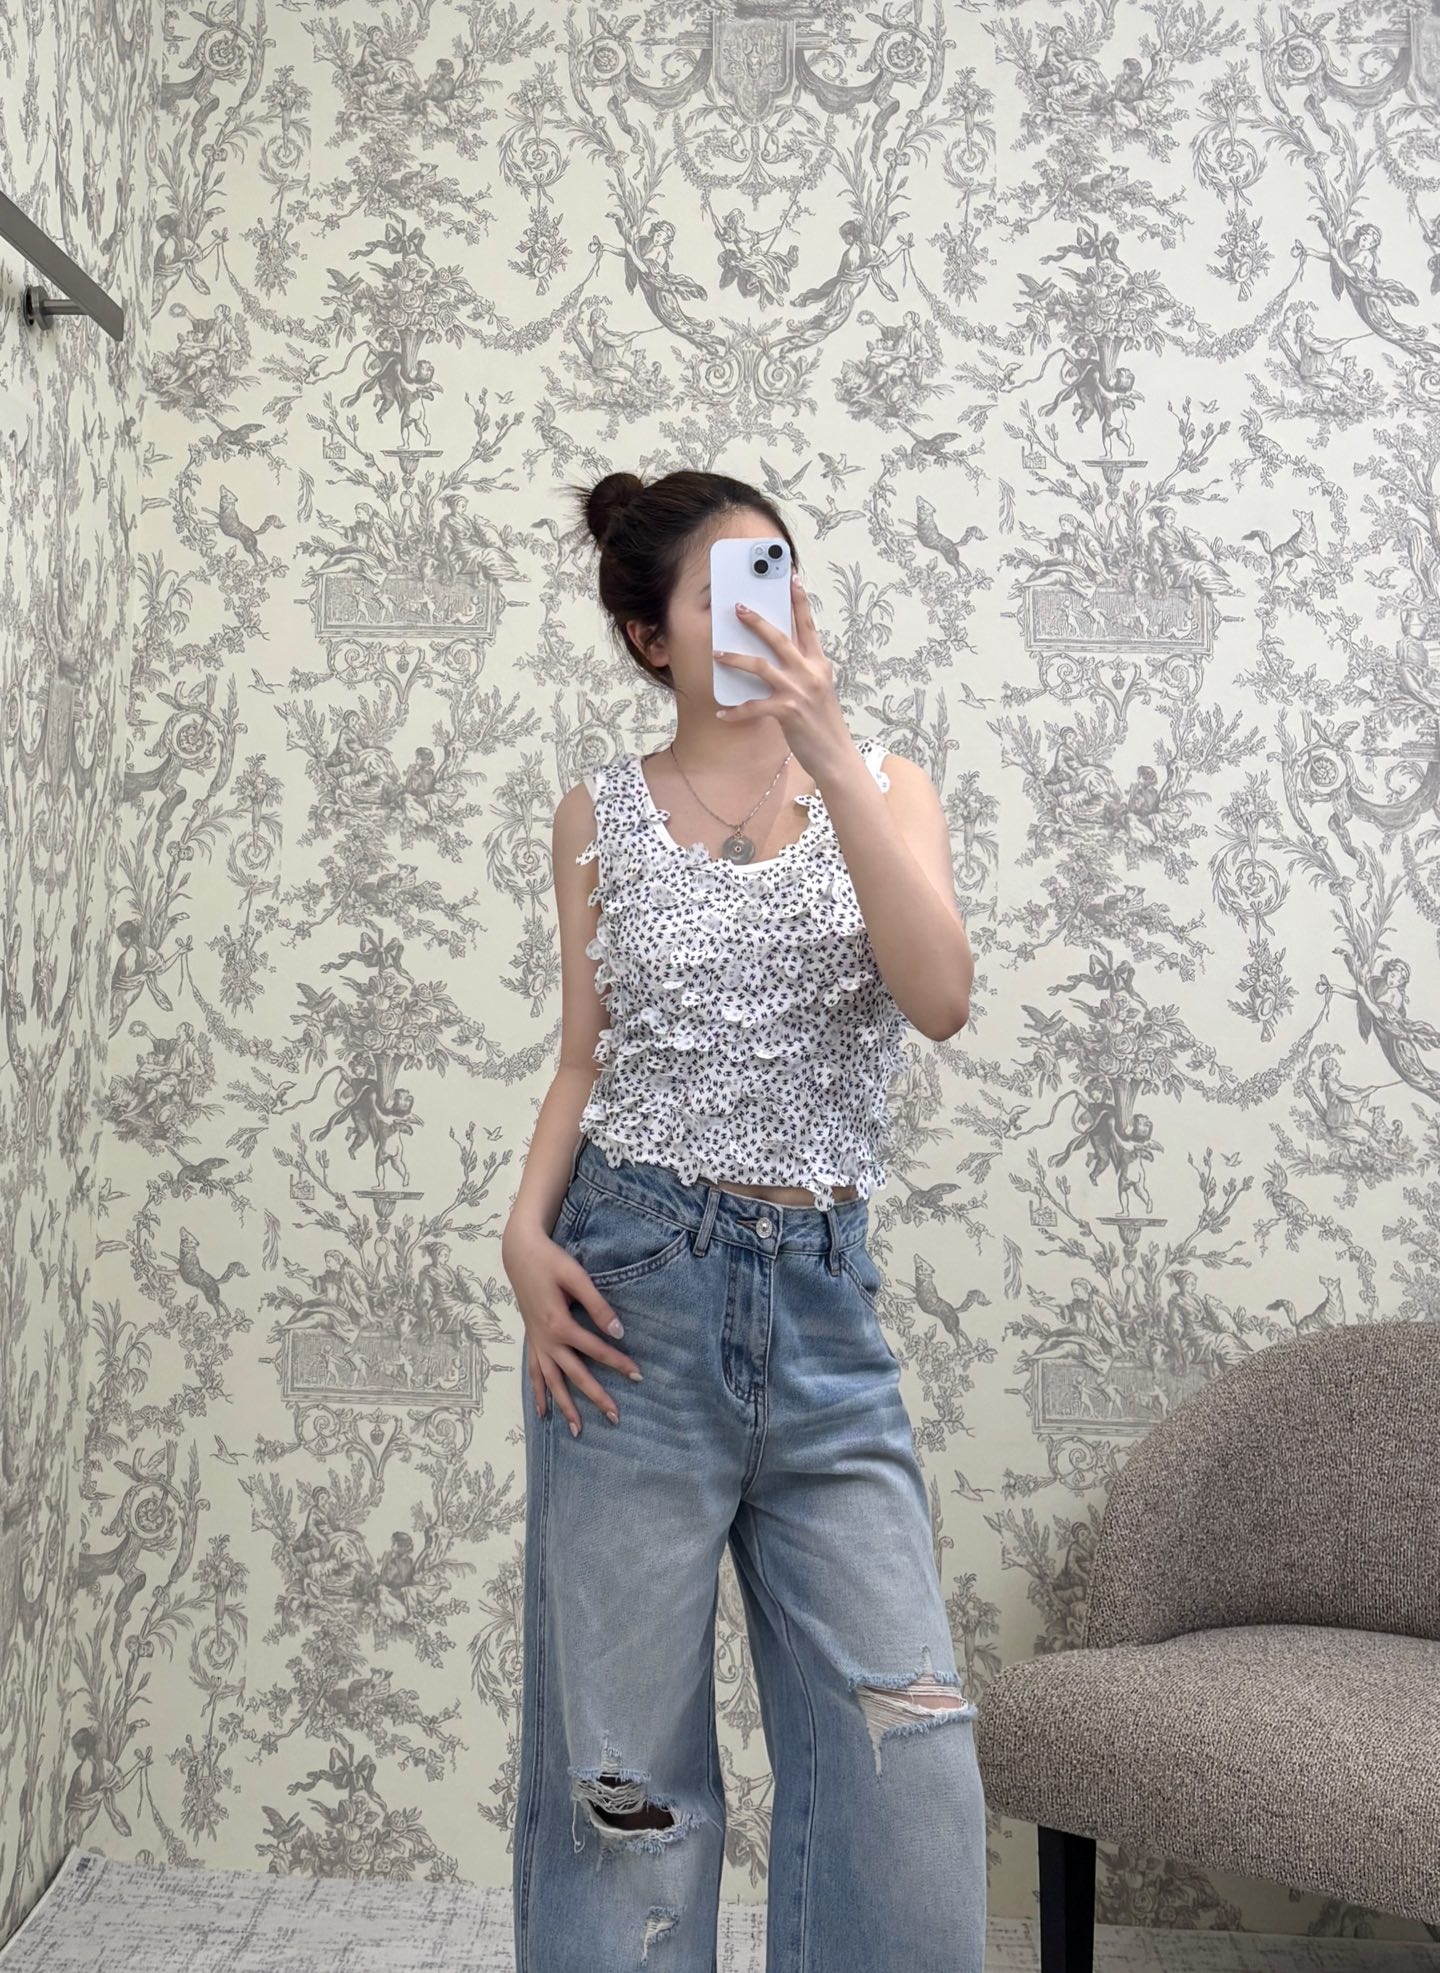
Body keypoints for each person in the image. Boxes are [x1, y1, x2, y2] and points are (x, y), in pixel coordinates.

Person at [504, 469, 984, 1971]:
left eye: (782, 574)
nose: (773, 611)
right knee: (626, 1784)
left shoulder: (886, 788)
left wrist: (827, 746)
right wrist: (523, 1235)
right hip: (628, 1297)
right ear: (652, 637)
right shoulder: (597, 814)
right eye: (727, 591)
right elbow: (585, 1055)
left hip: (826, 1316)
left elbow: (941, 997)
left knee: (909, 1754)